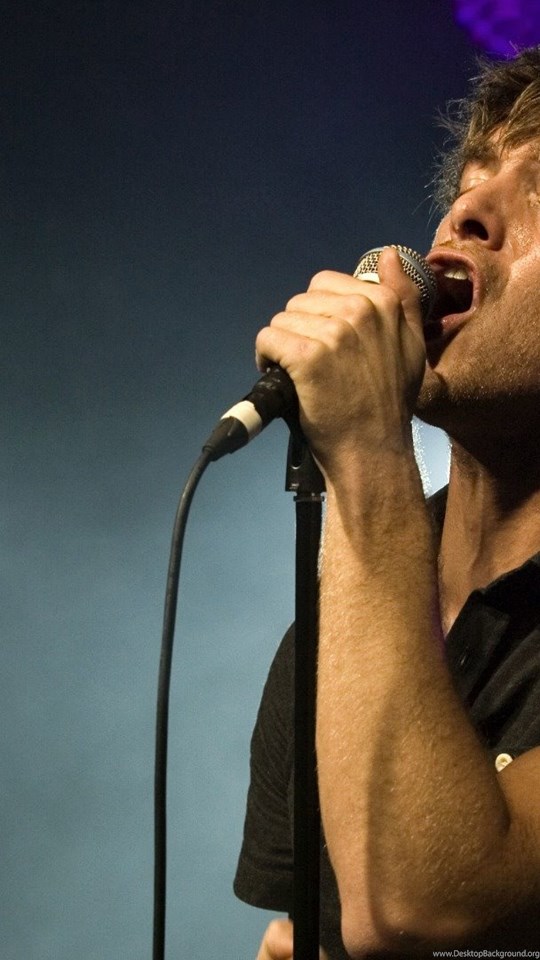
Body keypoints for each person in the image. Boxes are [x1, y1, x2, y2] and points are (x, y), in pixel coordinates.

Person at [234, 46, 540, 959]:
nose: (466, 213)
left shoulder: (369, 525)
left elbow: (429, 906)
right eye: (473, 179)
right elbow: (317, 937)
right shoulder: (337, 631)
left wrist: (367, 454)